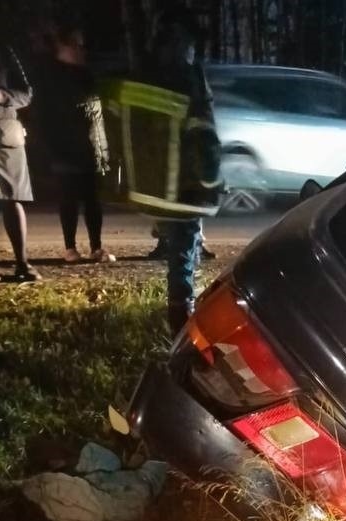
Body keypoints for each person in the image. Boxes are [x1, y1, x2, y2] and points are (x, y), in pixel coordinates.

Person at [144, 8, 221, 332]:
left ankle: (180, 312)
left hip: (158, 176)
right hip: (186, 177)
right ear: (185, 43)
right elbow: (203, 130)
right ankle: (182, 323)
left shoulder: (148, 74)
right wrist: (211, 177)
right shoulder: (190, 76)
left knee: (178, 246)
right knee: (184, 249)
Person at [38, 23, 114, 264]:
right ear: (62, 46)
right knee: (69, 198)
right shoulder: (52, 76)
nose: (82, 49)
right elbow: (44, 115)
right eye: (76, 44)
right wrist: (52, 147)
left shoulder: (86, 75)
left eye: (83, 45)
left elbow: (97, 110)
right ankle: (70, 247)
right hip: (65, 148)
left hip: (90, 147)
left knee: (93, 199)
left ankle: (96, 247)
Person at [0, 43, 40, 281]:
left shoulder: (5, 50)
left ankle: (22, 263)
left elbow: (27, 93)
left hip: (4, 136)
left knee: (12, 199)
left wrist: (2, 96)